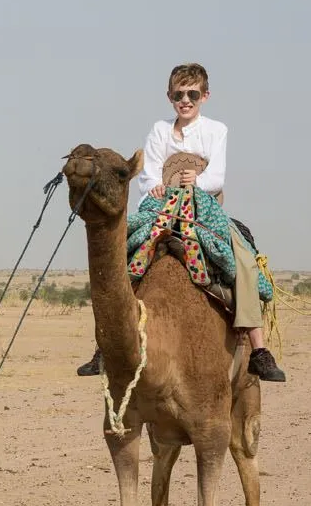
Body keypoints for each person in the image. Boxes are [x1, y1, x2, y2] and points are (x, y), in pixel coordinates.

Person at [77, 62, 285, 382]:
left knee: (240, 257)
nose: (185, 100)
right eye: (179, 95)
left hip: (203, 206)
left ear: (205, 95)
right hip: (162, 206)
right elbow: (149, 173)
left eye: (192, 94)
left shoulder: (217, 130)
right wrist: (155, 185)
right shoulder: (160, 130)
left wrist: (197, 180)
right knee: (127, 254)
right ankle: (106, 345)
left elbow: (218, 175)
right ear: (169, 96)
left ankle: (258, 349)